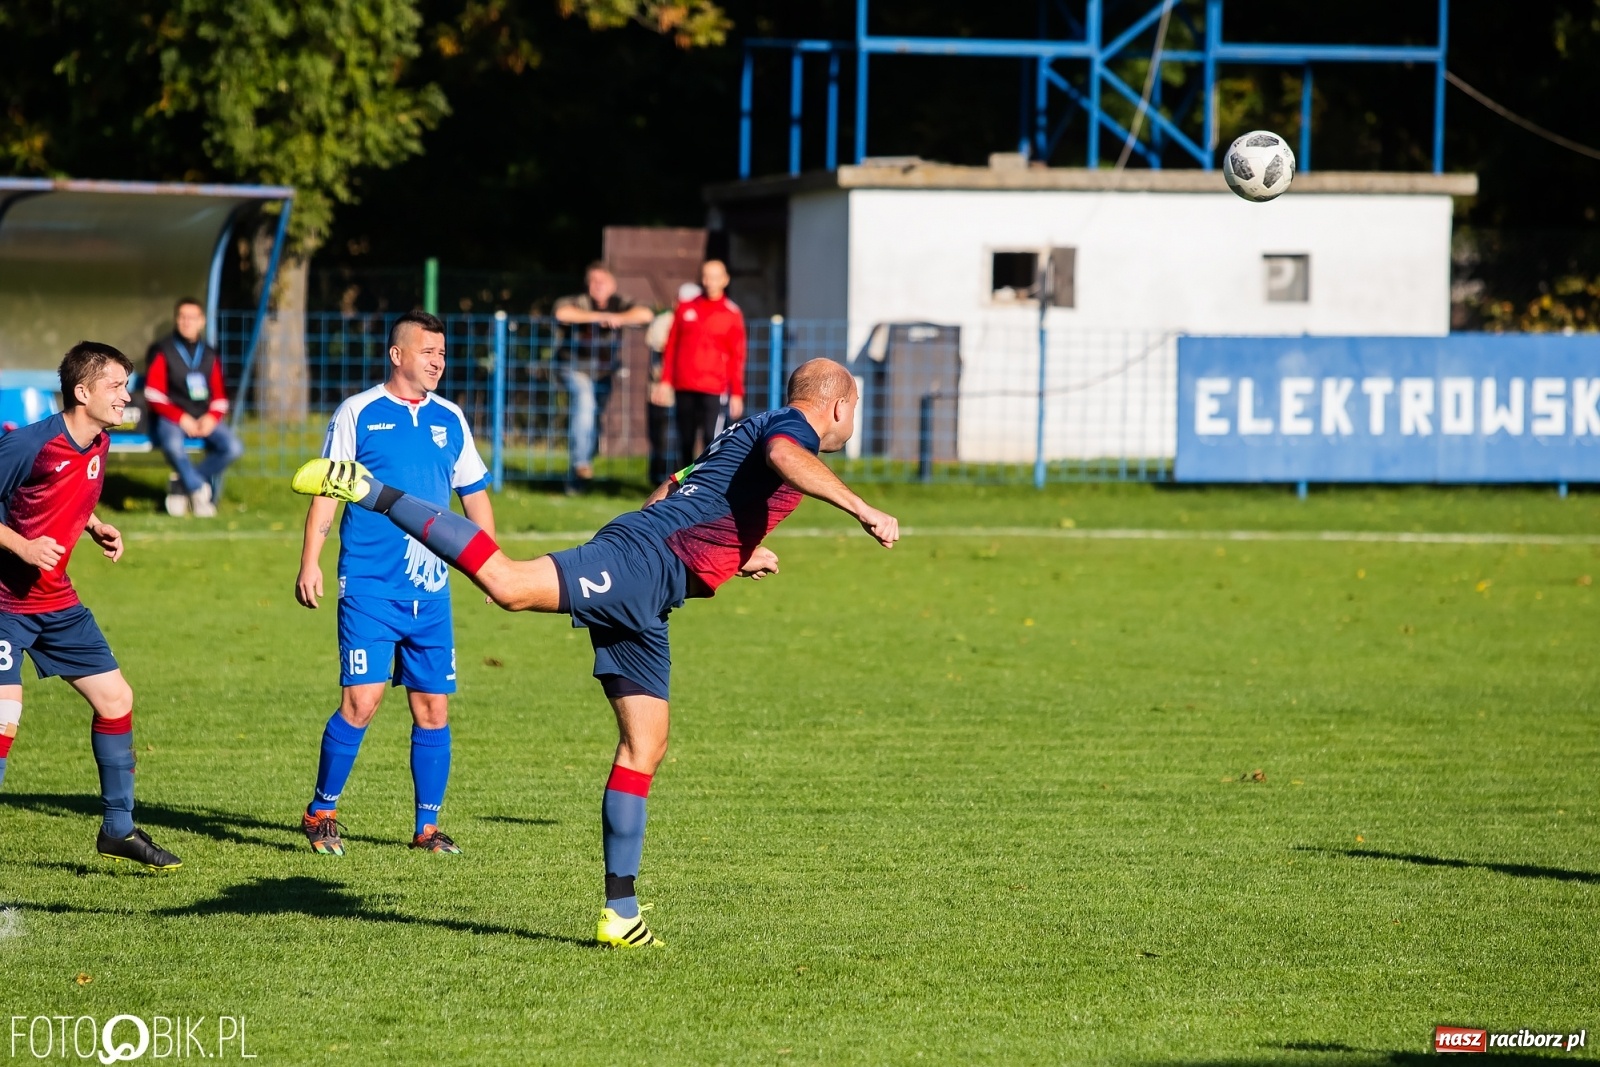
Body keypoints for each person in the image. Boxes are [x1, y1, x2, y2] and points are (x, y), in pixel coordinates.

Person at [291, 358, 898, 948]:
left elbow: (676, 491)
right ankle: (372, 491)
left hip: (651, 586)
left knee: (646, 743)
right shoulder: (792, 432)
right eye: (854, 412)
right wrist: (863, 509)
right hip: (640, 565)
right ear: (840, 405)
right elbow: (786, 459)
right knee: (508, 585)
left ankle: (620, 912)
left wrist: (732, 554)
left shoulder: (749, 424)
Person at [293, 310, 496, 856]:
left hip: (430, 589)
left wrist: (488, 563)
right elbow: (326, 489)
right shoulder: (357, 411)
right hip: (368, 582)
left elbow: (474, 494)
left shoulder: (451, 418)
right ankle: (321, 812)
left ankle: (426, 828)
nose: (438, 361)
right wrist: (310, 561)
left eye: (444, 353)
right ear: (397, 354)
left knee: (433, 708)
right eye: (428, 351)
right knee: (362, 700)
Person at [0, 342, 182, 870]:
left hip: (56, 601)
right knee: (6, 714)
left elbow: (62, 496)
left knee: (116, 699)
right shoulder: (29, 445)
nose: (127, 396)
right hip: (6, 601)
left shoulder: (97, 441)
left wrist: (94, 524)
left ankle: (118, 829)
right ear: (82, 392)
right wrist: (25, 548)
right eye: (116, 386)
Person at [552, 264, 653, 492]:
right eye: (594, 281)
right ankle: (581, 464)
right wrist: (598, 317)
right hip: (573, 367)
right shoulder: (578, 302)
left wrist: (618, 318)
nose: (599, 286)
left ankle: (576, 479)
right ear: (588, 285)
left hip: (603, 373)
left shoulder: (620, 303)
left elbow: (646, 314)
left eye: (603, 281)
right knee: (585, 404)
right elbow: (561, 313)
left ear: (613, 285)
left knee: (594, 422)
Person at [144, 298, 245, 517]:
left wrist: (212, 417)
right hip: (172, 417)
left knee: (234, 447)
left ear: (202, 321)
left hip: (204, 417)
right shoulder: (163, 350)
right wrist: (181, 417)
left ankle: (183, 483)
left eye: (192, 318)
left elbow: (220, 396)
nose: (187, 322)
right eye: (182, 317)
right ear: (176, 320)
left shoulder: (209, 353)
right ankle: (198, 490)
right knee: (172, 444)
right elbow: (153, 393)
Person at [656, 260, 747, 472]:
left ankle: (707, 485)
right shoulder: (685, 308)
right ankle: (682, 486)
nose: (709, 282)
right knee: (685, 439)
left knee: (711, 439)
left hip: (714, 387)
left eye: (715, 277)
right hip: (684, 384)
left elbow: (737, 356)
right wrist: (665, 380)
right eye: (706, 276)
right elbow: (671, 346)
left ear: (725, 280)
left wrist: (736, 393)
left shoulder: (731, 314)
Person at [644, 282, 701, 485]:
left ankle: (683, 482)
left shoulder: (700, 320)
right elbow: (661, 349)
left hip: (689, 388)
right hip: (662, 386)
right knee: (659, 436)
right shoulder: (664, 321)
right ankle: (656, 480)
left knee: (685, 438)